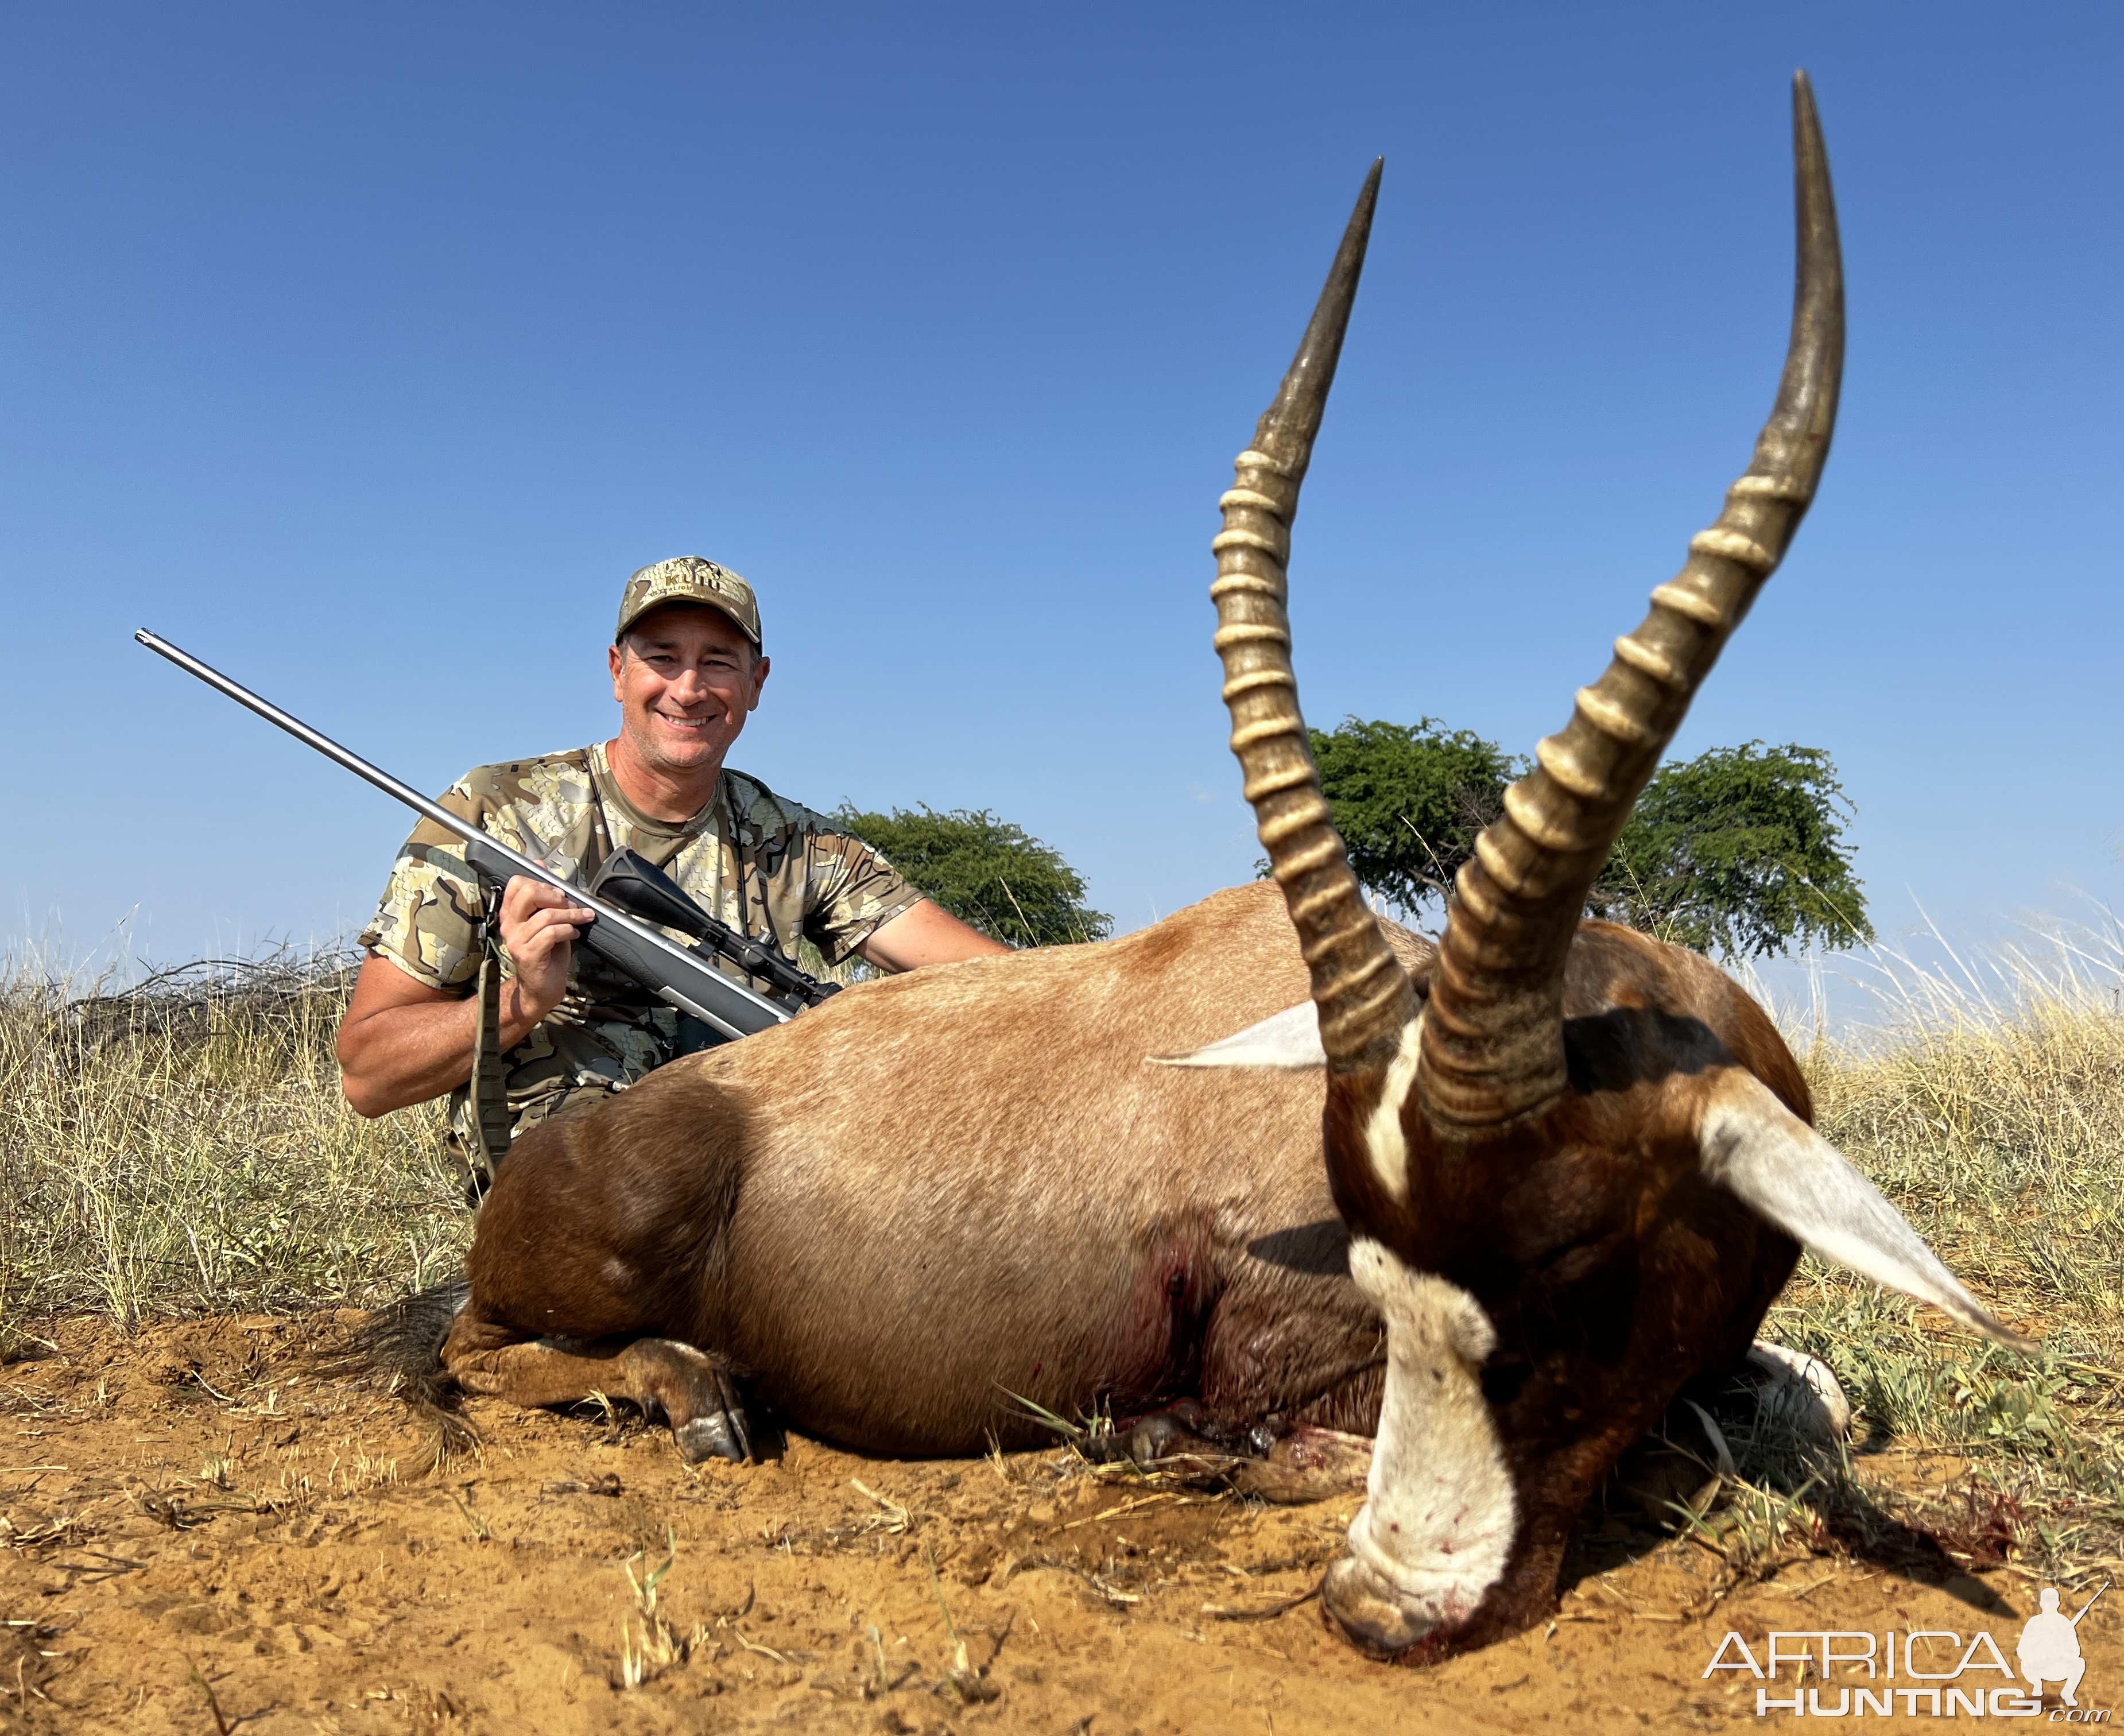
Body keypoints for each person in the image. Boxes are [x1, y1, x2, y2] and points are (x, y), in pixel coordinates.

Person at [337, 555, 1008, 1168]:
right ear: (616, 671)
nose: (688, 689)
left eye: (718, 661)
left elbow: (993, 978)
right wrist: (523, 1002)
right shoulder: (492, 812)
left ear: (757, 682)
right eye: (663, 657)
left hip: (751, 1178)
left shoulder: (801, 843)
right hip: (569, 1200)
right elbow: (369, 1077)